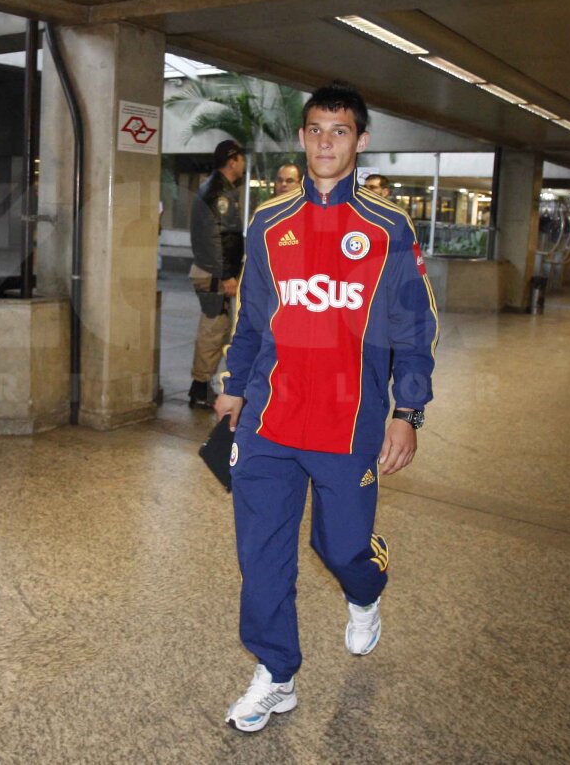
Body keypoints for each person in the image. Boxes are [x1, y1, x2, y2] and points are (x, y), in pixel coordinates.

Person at [214, 82, 438, 732]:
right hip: (269, 424)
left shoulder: (387, 229)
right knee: (261, 560)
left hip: (347, 423)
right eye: (315, 129)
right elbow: (253, 323)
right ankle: (276, 673)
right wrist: (233, 383)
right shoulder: (268, 223)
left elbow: (413, 330)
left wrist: (408, 410)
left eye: (339, 131)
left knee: (341, 547)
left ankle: (366, 590)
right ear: (303, 136)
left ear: (360, 141)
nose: (325, 142)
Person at [187, 139, 246, 409]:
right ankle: (199, 388)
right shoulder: (219, 193)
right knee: (212, 330)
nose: (244, 165)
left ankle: (201, 385)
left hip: (212, 272)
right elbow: (218, 237)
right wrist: (226, 275)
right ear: (232, 160)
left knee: (218, 329)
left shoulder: (216, 188)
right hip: (214, 274)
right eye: (241, 159)